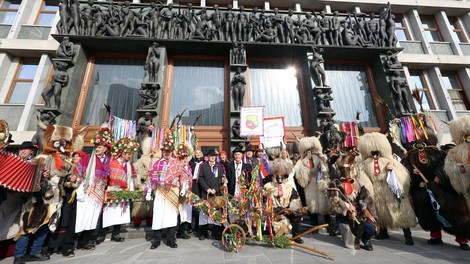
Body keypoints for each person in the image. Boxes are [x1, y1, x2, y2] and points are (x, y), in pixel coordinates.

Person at [74, 128, 113, 250]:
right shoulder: (87, 158)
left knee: (92, 217)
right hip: (87, 191)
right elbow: (77, 172)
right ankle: (78, 240)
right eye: (96, 146)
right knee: (82, 216)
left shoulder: (107, 161)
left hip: (99, 193)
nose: (97, 149)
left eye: (100, 147)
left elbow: (107, 176)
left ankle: (86, 241)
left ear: (106, 149)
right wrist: (76, 177)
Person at [46, 150, 86, 258]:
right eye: (74, 156)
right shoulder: (69, 166)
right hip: (66, 196)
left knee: (71, 222)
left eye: (78, 156)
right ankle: (52, 245)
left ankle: (67, 246)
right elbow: (65, 179)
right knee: (60, 220)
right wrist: (70, 180)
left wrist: (77, 180)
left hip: (78, 198)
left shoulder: (85, 168)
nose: (76, 158)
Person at [149, 132, 183, 249]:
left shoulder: (176, 163)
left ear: (171, 152)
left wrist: (182, 187)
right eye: (165, 151)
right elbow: (152, 178)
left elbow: (182, 177)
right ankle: (156, 241)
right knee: (158, 216)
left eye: (169, 151)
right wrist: (149, 191)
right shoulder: (157, 163)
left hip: (173, 192)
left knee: (171, 217)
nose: (167, 153)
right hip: (160, 192)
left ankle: (170, 240)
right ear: (162, 152)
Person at [103, 137, 139, 243]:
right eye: (128, 154)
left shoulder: (129, 165)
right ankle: (102, 233)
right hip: (113, 189)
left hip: (124, 190)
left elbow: (132, 178)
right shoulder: (113, 163)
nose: (130, 156)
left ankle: (116, 234)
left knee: (119, 213)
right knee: (109, 212)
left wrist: (133, 188)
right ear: (123, 154)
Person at [198, 149, 225, 240]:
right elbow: (200, 178)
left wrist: (215, 189)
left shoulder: (219, 166)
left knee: (216, 212)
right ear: (208, 157)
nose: (212, 157)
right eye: (211, 156)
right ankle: (203, 232)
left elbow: (220, 179)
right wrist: (207, 189)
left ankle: (216, 232)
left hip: (215, 194)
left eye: (214, 156)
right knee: (204, 212)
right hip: (205, 193)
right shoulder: (203, 166)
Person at [176, 143, 193, 239]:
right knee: (180, 213)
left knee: (186, 213)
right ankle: (179, 231)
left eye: (186, 158)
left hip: (188, 192)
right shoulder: (178, 167)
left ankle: (183, 231)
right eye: (183, 159)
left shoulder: (189, 167)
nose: (185, 160)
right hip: (180, 192)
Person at [189, 149, 204, 231]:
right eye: (196, 153)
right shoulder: (191, 163)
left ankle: (198, 225)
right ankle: (191, 225)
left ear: (202, 154)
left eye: (199, 153)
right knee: (192, 203)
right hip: (193, 183)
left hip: (200, 184)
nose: (198, 154)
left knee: (199, 204)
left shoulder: (204, 163)